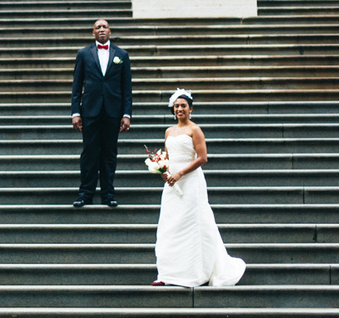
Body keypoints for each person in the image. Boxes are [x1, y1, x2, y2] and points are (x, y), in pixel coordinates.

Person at [152, 89, 245, 286]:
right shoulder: (169, 131)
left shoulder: (195, 130)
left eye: (183, 106)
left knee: (192, 224)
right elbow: (168, 157)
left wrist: (180, 173)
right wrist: (163, 170)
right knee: (170, 226)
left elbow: (203, 158)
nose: (179, 109)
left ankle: (193, 273)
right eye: (176, 106)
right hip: (172, 184)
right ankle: (167, 274)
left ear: (190, 108)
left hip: (190, 181)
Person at [70, 18, 132, 208]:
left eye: (104, 27)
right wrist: (75, 112)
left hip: (113, 111)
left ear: (110, 31)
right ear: (93, 32)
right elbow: (76, 85)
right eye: (98, 27)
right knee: (89, 153)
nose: (102, 30)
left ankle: (108, 194)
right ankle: (85, 194)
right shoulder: (83, 54)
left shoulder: (122, 54)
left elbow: (126, 87)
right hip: (90, 111)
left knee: (109, 153)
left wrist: (127, 114)